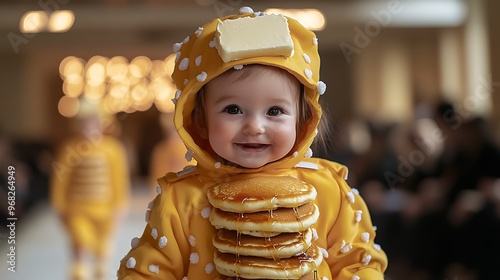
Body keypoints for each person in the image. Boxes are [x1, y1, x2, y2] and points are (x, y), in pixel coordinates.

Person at [117, 7, 387, 279]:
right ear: (200, 120)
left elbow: (359, 263)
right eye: (233, 110)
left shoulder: (328, 190)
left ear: (303, 120)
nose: (255, 127)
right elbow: (147, 273)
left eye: (274, 111)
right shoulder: (181, 200)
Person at [51, 101, 131, 280]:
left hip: (105, 210)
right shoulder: (70, 148)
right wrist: (59, 204)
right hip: (77, 209)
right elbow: (60, 179)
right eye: (83, 122)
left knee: (103, 245)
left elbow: (119, 180)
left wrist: (120, 205)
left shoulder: (113, 149)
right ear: (77, 124)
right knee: (79, 240)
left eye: (92, 121)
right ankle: (79, 269)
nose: (88, 127)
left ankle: (100, 270)